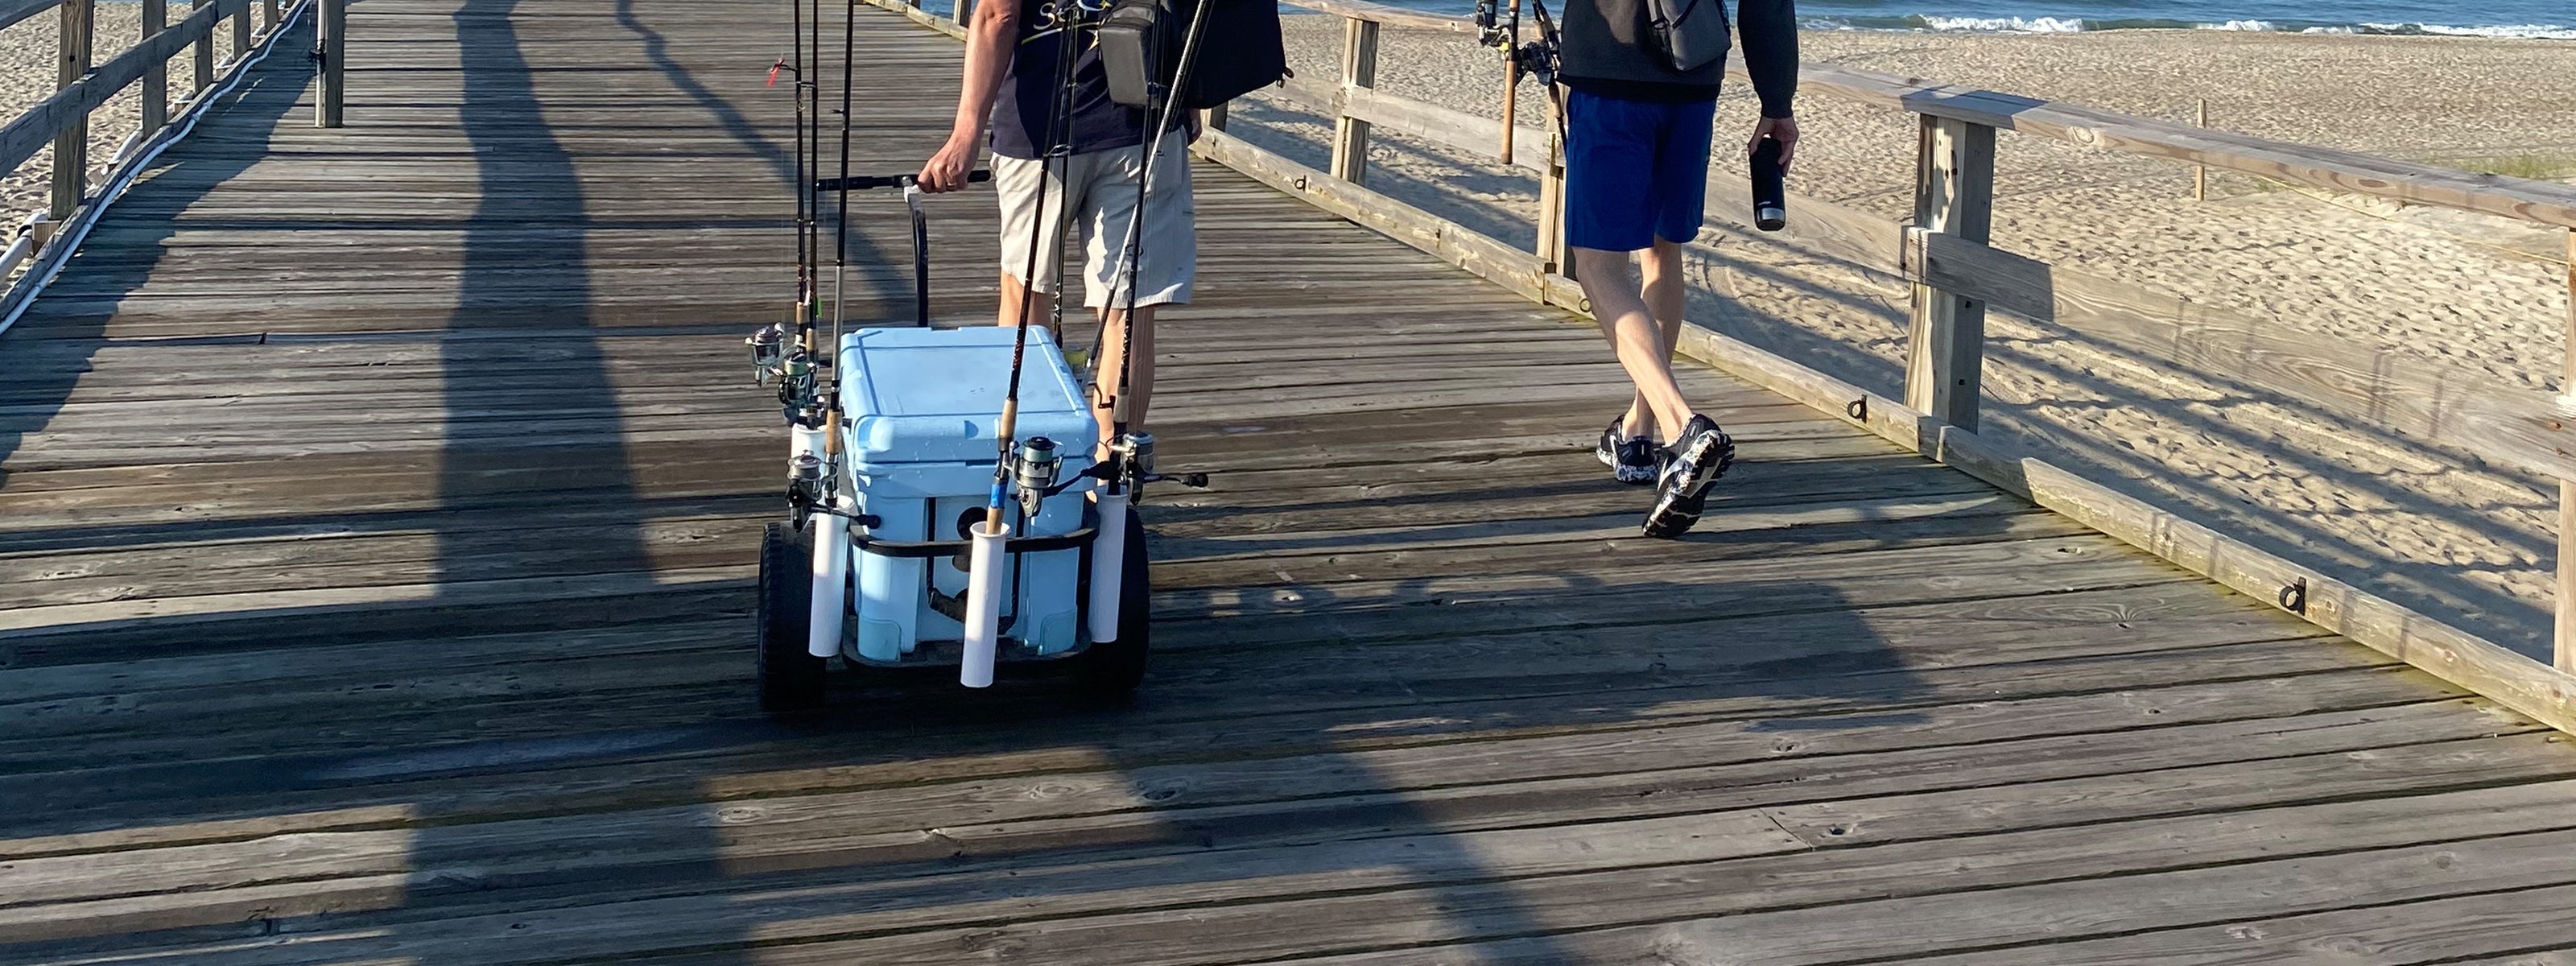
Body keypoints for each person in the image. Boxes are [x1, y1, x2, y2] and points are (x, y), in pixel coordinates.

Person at [1557, 0, 1798, 537]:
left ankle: (1682, 429)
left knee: (1597, 264)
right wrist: (1777, 99)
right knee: (1662, 254)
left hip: (1610, 81)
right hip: (1692, 82)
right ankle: (1637, 432)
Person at [918, 0, 1197, 449]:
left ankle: (1029, 456)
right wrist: (1192, 98)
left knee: (1026, 292)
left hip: (1040, 131)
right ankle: (1109, 475)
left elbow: (997, 14)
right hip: (1146, 122)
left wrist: (965, 133)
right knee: (1129, 309)